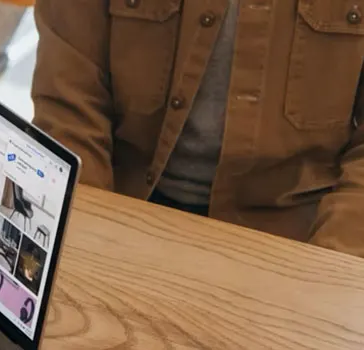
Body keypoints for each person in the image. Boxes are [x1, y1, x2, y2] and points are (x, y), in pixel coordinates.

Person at [31, 0, 364, 256]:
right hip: (120, 200)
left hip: (294, 234)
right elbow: (69, 101)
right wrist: (84, 243)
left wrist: (328, 276)